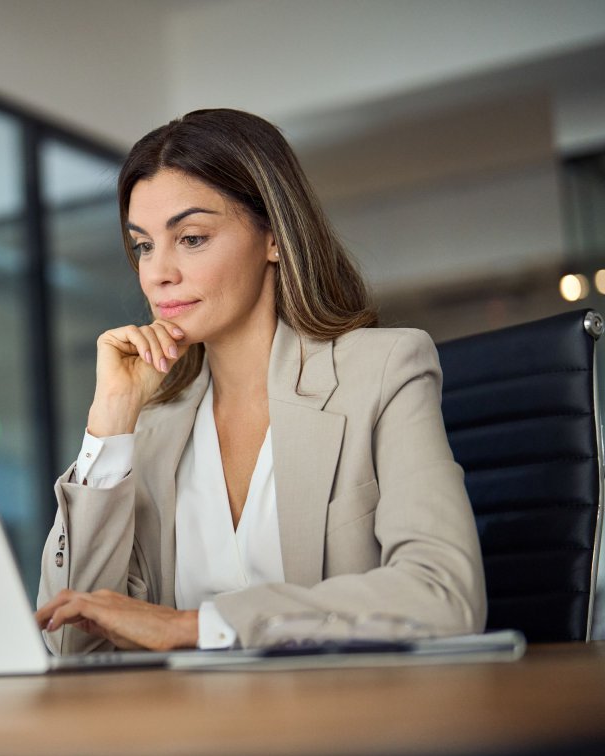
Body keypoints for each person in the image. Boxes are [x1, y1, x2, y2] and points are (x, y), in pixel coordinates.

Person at [34, 109, 487, 654]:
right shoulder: (150, 431)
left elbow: (445, 595)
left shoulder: (384, 370)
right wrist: (109, 424)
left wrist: (197, 627)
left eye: (192, 238)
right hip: (187, 733)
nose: (158, 273)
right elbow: (72, 645)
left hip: (347, 727)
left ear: (274, 237)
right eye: (143, 245)